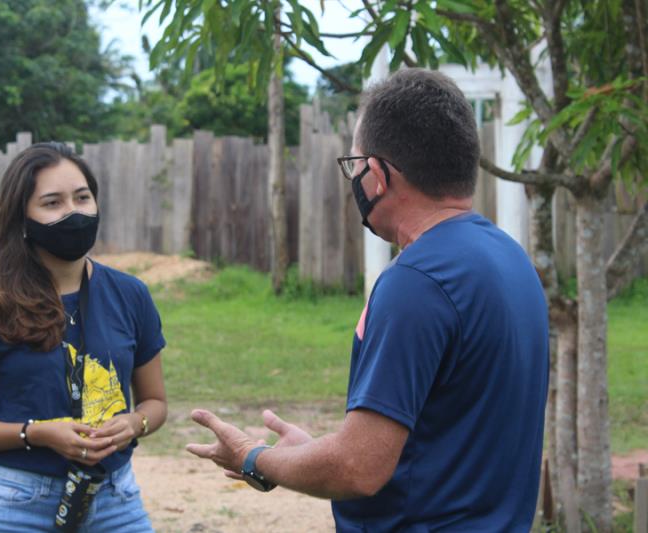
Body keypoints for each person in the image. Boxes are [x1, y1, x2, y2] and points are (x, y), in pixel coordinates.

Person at [185, 68, 549, 532]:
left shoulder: (416, 282)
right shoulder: (510, 257)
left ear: (377, 176)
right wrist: (311, 453)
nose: (353, 178)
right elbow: (449, 431)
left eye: (353, 165)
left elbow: (358, 468)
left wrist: (252, 457)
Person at [0, 142, 167, 532]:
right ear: (22, 218)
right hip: (14, 505)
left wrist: (135, 423)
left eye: (82, 198)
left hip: (114, 498)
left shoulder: (131, 295)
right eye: (52, 203)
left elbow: (156, 402)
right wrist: (36, 433)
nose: (73, 212)